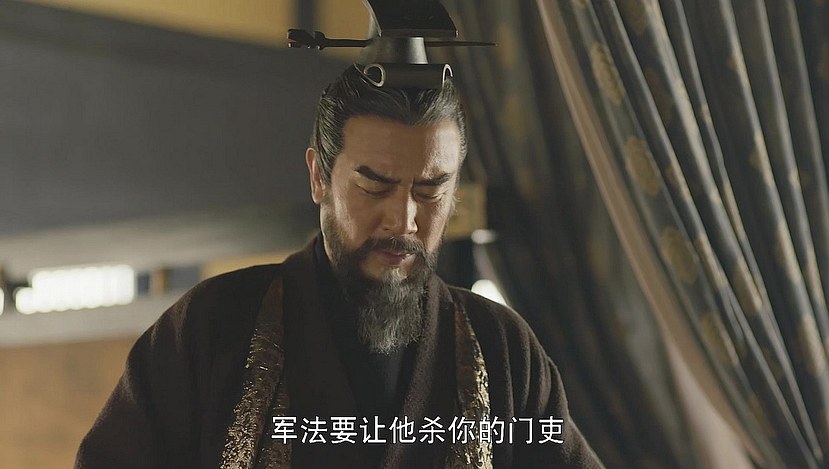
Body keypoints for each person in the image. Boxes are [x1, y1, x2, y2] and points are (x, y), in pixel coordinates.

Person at [75, 65, 603, 468]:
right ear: (318, 177)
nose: (403, 220)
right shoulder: (213, 327)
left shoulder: (502, 348)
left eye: (430, 191)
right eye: (375, 187)